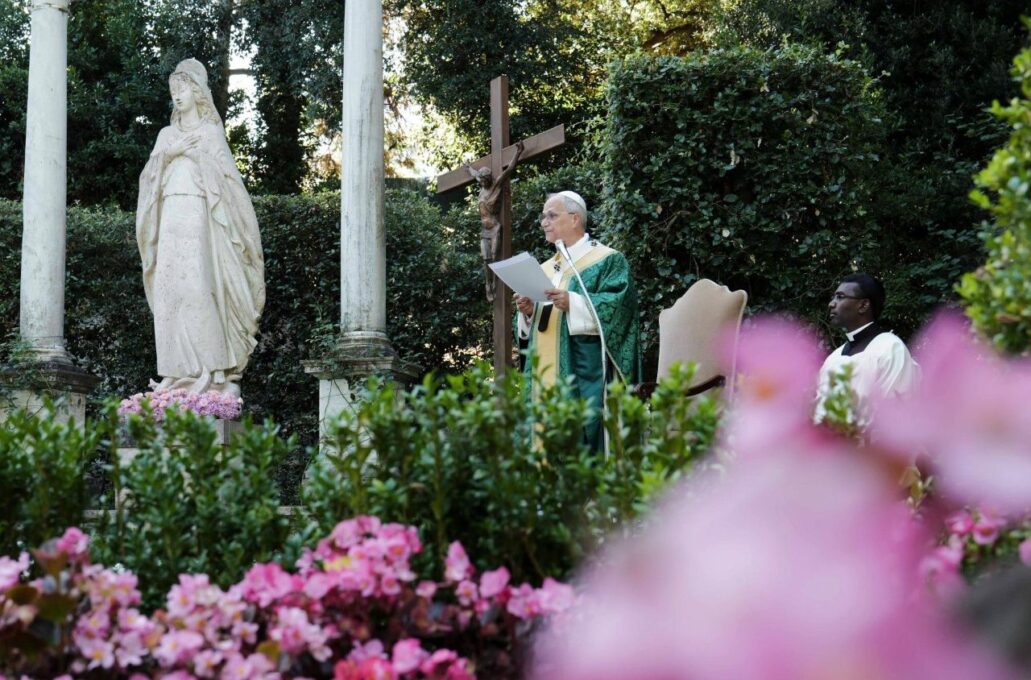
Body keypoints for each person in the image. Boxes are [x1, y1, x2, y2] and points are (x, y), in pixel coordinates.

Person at [136, 58, 265, 396]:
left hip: (198, 213)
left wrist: (195, 157)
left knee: (197, 286)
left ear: (197, 92)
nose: (177, 96)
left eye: (182, 89)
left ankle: (214, 367)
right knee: (168, 290)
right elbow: (148, 180)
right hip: (169, 214)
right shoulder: (166, 135)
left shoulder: (210, 134)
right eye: (173, 91)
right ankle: (174, 372)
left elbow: (228, 182)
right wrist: (170, 154)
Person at [515, 191, 641, 452]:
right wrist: (528, 312)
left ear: (575, 219)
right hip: (543, 372)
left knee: (582, 439)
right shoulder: (546, 268)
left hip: (583, 368)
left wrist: (573, 302)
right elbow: (540, 323)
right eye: (543, 217)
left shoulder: (607, 260)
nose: (544, 222)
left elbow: (620, 308)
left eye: (551, 216)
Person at [815, 273, 918, 423]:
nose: (831, 304)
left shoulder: (891, 349)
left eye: (840, 297)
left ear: (863, 305)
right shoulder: (833, 358)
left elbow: (896, 411)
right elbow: (819, 411)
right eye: (834, 297)